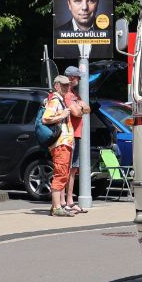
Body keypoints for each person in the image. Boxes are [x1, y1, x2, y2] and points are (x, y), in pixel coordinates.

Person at [43, 76, 76, 216]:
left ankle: (55, 207)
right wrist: (62, 115)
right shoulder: (56, 100)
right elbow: (46, 118)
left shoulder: (59, 100)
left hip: (64, 143)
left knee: (62, 174)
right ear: (56, 86)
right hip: (60, 144)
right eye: (63, 85)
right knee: (61, 174)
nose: (66, 88)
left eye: (67, 85)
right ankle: (57, 208)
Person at [62, 65, 92, 213]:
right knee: (66, 169)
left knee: (73, 169)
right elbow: (77, 113)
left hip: (76, 135)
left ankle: (70, 200)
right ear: (71, 78)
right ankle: (63, 202)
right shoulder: (67, 94)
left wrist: (81, 107)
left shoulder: (74, 94)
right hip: (69, 135)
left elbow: (88, 108)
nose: (79, 80)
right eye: (77, 77)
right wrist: (80, 108)